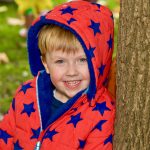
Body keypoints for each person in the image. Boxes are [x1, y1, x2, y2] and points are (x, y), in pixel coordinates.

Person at [0, 1, 115, 149]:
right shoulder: (26, 94)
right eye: (60, 61)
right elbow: (5, 137)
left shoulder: (101, 112)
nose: (72, 72)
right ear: (46, 63)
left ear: (97, 61)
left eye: (82, 60)